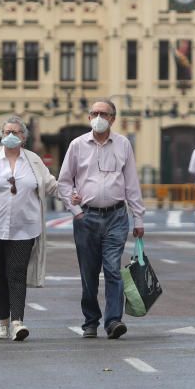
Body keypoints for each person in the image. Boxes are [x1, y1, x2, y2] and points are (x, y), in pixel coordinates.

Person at [57, 99, 145, 340]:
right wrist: (76, 212)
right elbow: (63, 182)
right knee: (89, 273)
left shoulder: (123, 144)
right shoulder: (76, 145)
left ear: (112, 119)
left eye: (103, 114)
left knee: (113, 269)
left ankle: (114, 320)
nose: (98, 117)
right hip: (86, 218)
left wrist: (138, 218)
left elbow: (131, 184)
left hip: (116, 216)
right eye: (94, 113)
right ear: (88, 118)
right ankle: (90, 321)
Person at [0, 117, 59, 341]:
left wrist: (73, 192)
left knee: (17, 273)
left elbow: (51, 185)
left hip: (25, 229)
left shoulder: (34, 161)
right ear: (1, 134)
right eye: (7, 131)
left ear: (24, 137)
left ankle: (18, 322)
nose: (11, 135)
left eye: (16, 132)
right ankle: (3, 323)